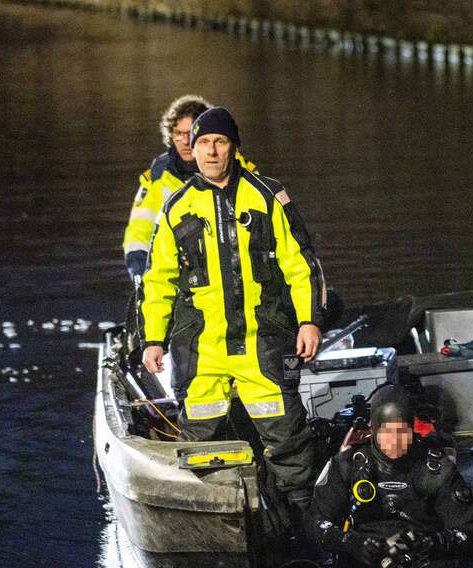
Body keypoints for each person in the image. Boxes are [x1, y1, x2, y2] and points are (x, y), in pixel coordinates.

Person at [139, 105, 325, 516]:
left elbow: (302, 265)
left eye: (219, 142)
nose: (210, 151)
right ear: (193, 148)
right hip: (202, 347)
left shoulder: (267, 195)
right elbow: (158, 281)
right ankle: (207, 519)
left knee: (288, 439)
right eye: (202, 142)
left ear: (234, 148)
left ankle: (302, 522)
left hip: (263, 341)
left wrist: (310, 321)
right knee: (201, 444)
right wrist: (152, 340)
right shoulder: (176, 208)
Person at [292, 385, 473, 568]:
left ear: (413, 429)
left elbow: (472, 532)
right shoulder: (348, 466)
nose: (395, 441)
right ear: (373, 431)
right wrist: (351, 543)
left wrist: (434, 543)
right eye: (387, 432)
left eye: (402, 431)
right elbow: (315, 523)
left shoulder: (436, 470)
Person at [122, 94, 257, 280]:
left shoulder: (242, 173)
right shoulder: (158, 176)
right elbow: (139, 232)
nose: (185, 141)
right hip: (177, 278)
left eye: (189, 133)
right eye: (178, 134)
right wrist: (139, 273)